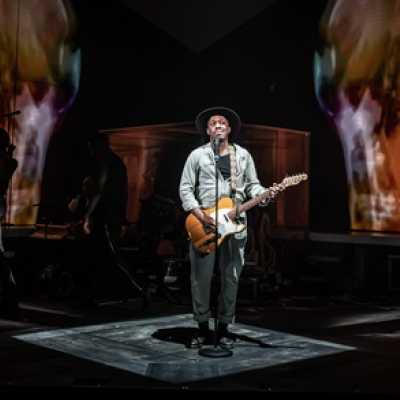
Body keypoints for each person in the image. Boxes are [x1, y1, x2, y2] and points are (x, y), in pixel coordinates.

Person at [179, 106, 281, 349]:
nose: (218, 125)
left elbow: (253, 186)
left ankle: (224, 327)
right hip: (205, 222)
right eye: (213, 123)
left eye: (222, 122)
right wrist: (200, 215)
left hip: (235, 225)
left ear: (229, 128)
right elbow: (185, 189)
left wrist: (264, 194)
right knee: (201, 278)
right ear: (207, 130)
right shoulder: (197, 155)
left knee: (231, 276)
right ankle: (203, 327)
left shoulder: (243, 156)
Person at [68, 133, 129, 305]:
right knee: (103, 256)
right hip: (110, 217)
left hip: (107, 218)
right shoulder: (113, 163)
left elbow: (100, 193)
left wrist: (87, 216)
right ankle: (106, 293)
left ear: (100, 146)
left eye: (93, 148)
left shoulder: (109, 164)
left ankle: (123, 291)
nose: (92, 152)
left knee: (105, 255)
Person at [0, 128, 19, 318]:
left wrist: (8, 154)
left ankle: (11, 303)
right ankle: (10, 302)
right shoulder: (9, 161)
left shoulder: (8, 162)